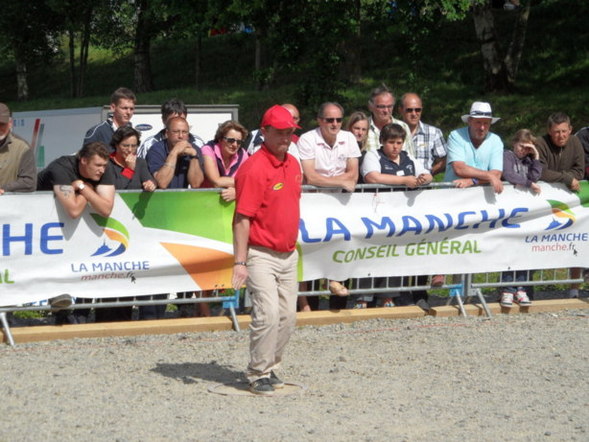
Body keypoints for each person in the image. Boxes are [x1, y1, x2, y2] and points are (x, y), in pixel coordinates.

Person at [231, 104, 302, 395]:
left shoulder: (294, 164)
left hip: (288, 251)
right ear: (265, 132)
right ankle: (257, 372)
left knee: (288, 316)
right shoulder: (253, 168)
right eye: (281, 132)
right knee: (268, 313)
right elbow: (242, 218)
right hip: (260, 253)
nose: (286, 137)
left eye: (290, 132)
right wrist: (240, 261)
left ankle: (271, 366)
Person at [37, 142, 116, 324]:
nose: (102, 170)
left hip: (70, 229)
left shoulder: (104, 168)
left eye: (104, 166)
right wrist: (88, 189)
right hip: (42, 226)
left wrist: (82, 187)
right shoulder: (61, 168)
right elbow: (73, 210)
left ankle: (78, 313)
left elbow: (105, 209)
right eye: (97, 166)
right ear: (83, 160)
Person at [360, 123, 433, 308]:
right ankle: (363, 297)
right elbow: (372, 177)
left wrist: (424, 178)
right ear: (382, 142)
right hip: (376, 215)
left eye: (399, 142)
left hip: (402, 217)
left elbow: (427, 173)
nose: (395, 147)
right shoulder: (373, 155)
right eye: (391, 142)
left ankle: (388, 296)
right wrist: (404, 180)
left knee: (394, 254)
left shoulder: (407, 158)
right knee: (368, 254)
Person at [297, 102, 361, 309]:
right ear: (319, 120)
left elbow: (354, 174)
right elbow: (310, 176)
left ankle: (338, 303)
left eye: (339, 120)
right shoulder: (308, 139)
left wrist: (333, 180)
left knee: (343, 244)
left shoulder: (349, 137)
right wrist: (340, 181)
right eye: (329, 120)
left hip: (340, 203)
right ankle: (311, 304)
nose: (335, 124)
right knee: (313, 249)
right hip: (313, 203)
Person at [94, 127, 157, 323]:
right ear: (116, 145)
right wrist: (129, 170)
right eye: (125, 146)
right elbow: (118, 190)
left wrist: (149, 184)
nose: (129, 150)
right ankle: (104, 317)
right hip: (109, 226)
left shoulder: (141, 162)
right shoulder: (108, 165)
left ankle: (128, 316)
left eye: (133, 146)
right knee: (110, 274)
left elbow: (148, 179)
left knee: (131, 273)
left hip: (134, 228)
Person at [535, 112, 585, 298]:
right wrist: (566, 178)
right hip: (541, 203)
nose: (561, 135)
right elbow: (540, 171)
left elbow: (579, 171)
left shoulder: (575, 142)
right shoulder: (540, 143)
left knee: (577, 240)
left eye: (564, 131)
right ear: (549, 131)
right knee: (535, 243)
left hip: (570, 203)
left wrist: (567, 178)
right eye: (556, 132)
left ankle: (574, 288)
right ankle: (526, 287)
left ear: (570, 130)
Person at [499, 129, 542, 308]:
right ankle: (507, 289)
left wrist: (536, 156)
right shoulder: (507, 156)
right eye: (521, 146)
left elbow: (536, 176)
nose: (523, 151)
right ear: (514, 143)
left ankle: (521, 288)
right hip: (509, 210)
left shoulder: (529, 160)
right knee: (509, 250)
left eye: (527, 148)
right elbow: (509, 175)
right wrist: (528, 184)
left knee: (524, 250)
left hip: (526, 212)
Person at [444, 101, 504, 194]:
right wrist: (489, 175)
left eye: (486, 123)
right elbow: (459, 169)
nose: (482, 127)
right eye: (478, 122)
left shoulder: (496, 140)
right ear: (469, 121)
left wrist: (473, 181)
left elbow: (496, 174)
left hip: (480, 197)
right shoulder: (456, 136)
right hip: (453, 194)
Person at [146, 116, 204, 190]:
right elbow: (162, 183)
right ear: (167, 133)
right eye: (176, 132)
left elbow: (196, 184)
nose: (180, 136)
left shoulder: (194, 149)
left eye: (184, 132)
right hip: (159, 198)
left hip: (182, 198)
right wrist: (174, 152)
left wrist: (194, 156)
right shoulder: (156, 150)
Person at [137, 98, 205, 159]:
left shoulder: (198, 143)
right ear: (163, 120)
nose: (177, 123)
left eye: (181, 119)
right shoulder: (149, 144)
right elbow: (139, 169)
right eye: (173, 120)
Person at [399, 93, 447, 176]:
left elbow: (444, 160)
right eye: (409, 110)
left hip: (424, 186)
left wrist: (429, 173)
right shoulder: (392, 131)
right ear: (400, 110)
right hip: (397, 185)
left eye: (417, 110)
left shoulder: (434, 132)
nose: (414, 114)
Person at [201, 120, 249, 202]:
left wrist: (237, 192)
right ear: (220, 139)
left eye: (239, 142)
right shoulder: (208, 150)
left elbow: (250, 182)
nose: (235, 145)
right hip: (205, 201)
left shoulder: (242, 154)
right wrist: (241, 185)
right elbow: (216, 182)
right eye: (230, 140)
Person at [365, 84, 414, 155]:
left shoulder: (403, 127)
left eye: (389, 106)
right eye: (381, 107)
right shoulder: (362, 128)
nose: (386, 110)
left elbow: (410, 157)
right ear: (370, 107)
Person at [0, 102, 36, 194]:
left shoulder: (22, 148)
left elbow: (29, 182)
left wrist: (4, 189)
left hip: (9, 205)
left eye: (2, 124)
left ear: (10, 123)